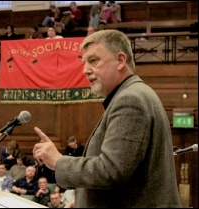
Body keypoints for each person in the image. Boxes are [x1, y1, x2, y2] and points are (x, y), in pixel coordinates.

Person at [32, 29, 181, 208]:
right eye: (84, 62)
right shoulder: (133, 94)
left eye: (94, 61)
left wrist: (58, 161)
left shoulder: (130, 99)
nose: (85, 70)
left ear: (120, 60)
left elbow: (112, 170)